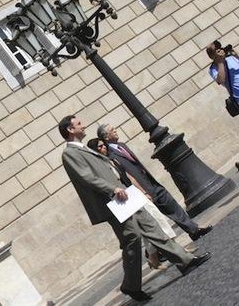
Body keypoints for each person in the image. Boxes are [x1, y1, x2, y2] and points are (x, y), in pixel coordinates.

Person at [60, 115, 211, 301]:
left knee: (152, 227)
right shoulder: (70, 154)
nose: (84, 125)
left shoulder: (83, 149)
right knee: (131, 240)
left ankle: (185, 262)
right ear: (70, 129)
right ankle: (130, 286)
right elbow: (87, 177)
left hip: (124, 195)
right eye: (79, 124)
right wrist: (112, 188)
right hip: (113, 201)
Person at [95, 124, 213, 242]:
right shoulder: (110, 155)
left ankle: (193, 230)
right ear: (106, 137)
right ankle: (157, 252)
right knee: (156, 221)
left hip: (150, 182)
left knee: (171, 204)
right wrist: (143, 192)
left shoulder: (122, 145)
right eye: (112, 130)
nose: (115, 130)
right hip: (141, 189)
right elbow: (127, 176)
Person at [87, 138, 176, 270]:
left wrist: (143, 192)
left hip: (134, 194)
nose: (103, 148)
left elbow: (129, 178)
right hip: (123, 200)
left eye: (103, 146)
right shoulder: (99, 167)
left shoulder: (113, 160)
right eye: (98, 148)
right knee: (147, 228)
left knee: (157, 218)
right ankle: (159, 257)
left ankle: (165, 253)